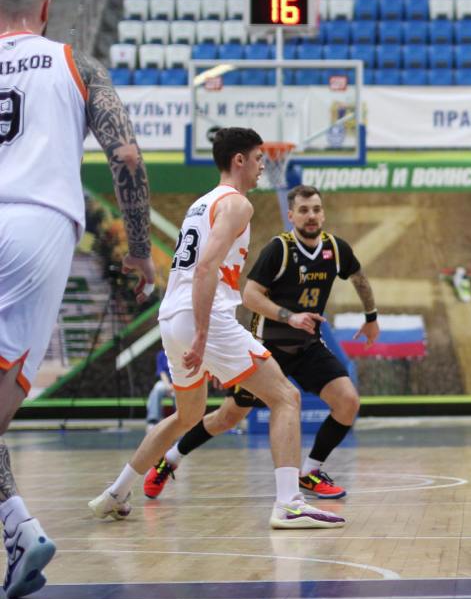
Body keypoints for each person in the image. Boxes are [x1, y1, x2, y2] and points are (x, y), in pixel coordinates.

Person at [89, 128, 344, 528]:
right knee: (285, 398)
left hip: (172, 317)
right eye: (258, 158)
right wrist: (204, 334)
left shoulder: (201, 204)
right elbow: (206, 266)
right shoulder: (238, 204)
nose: (263, 166)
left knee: (186, 414)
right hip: (200, 316)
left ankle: (117, 492)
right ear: (239, 160)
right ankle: (289, 503)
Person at [0, 0, 156, 599]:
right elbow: (126, 156)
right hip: (37, 228)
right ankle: (19, 529)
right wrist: (140, 251)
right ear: (45, 10)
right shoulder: (75, 63)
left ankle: (18, 527)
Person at [143, 184, 378, 500]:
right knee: (228, 417)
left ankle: (310, 472)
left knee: (348, 402)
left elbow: (359, 277)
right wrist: (289, 316)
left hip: (307, 347)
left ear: (323, 214)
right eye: (304, 210)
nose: (311, 216)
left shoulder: (335, 249)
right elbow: (251, 296)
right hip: (268, 347)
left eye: (316, 209)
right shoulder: (279, 249)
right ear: (291, 215)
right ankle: (170, 459)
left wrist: (371, 316)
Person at [145, 351, 174, 430]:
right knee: (157, 388)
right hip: (166, 383)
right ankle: (153, 420)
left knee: (180, 393)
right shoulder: (161, 355)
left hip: (179, 382)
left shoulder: (180, 352)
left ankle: (182, 419)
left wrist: (175, 386)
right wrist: (168, 387)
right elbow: (162, 372)